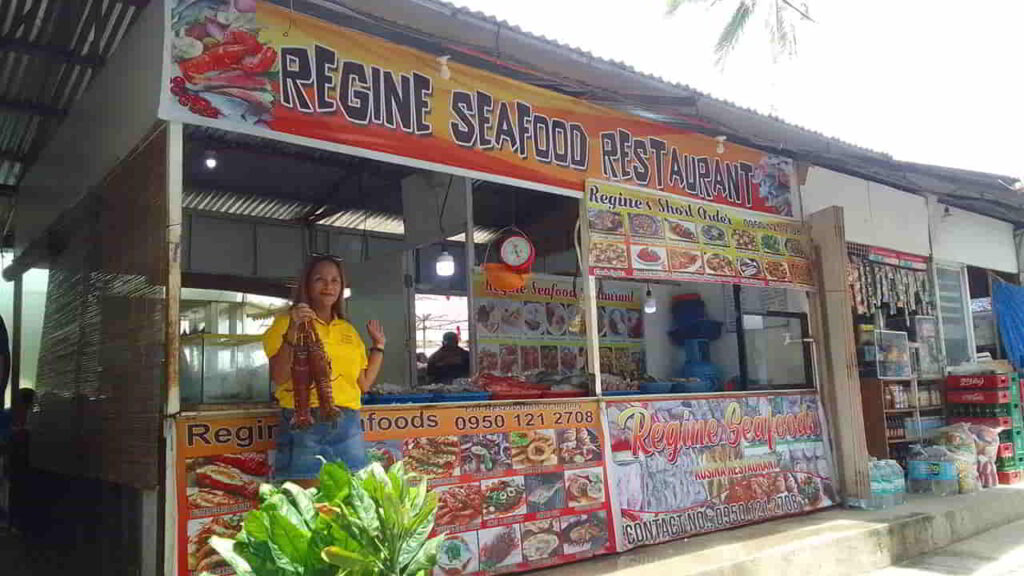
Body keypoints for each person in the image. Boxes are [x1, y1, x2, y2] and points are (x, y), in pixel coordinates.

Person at [263, 257, 385, 484]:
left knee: (351, 499)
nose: (329, 286)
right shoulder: (284, 323)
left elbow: (364, 384)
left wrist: (378, 347)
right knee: (307, 502)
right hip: (304, 421)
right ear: (306, 285)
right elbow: (279, 377)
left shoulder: (347, 330)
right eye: (320, 279)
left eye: (335, 281)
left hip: (347, 424)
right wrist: (292, 330)